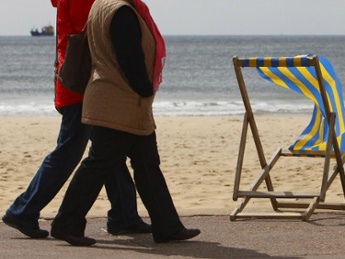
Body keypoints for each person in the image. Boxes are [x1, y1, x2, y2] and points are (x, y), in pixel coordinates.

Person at [50, 0, 200, 246]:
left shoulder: (101, 5)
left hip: (115, 97)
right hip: (119, 100)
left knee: (146, 163)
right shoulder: (121, 11)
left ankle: (168, 226)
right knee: (99, 163)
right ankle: (66, 223)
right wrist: (144, 89)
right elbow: (129, 57)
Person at [1, 0, 151, 239]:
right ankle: (23, 209)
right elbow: (95, 33)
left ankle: (124, 215)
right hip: (84, 85)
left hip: (80, 83)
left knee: (107, 149)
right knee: (72, 150)